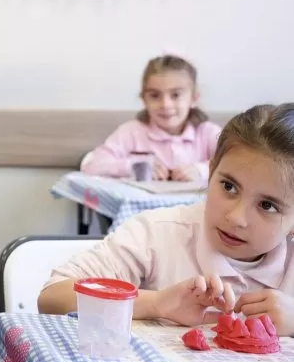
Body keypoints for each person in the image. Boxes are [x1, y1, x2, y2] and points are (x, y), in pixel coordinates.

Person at [40, 104, 294, 335]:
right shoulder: (157, 233)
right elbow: (53, 296)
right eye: (228, 187)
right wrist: (158, 303)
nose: (236, 217)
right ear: (212, 171)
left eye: (267, 205)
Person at [81, 55, 221, 182]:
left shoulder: (208, 133)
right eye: (155, 95)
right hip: (144, 210)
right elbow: (91, 165)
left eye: (176, 95)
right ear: (144, 99)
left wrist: (202, 170)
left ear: (193, 98)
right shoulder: (131, 132)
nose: (165, 105)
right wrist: (133, 167)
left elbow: (238, 165)